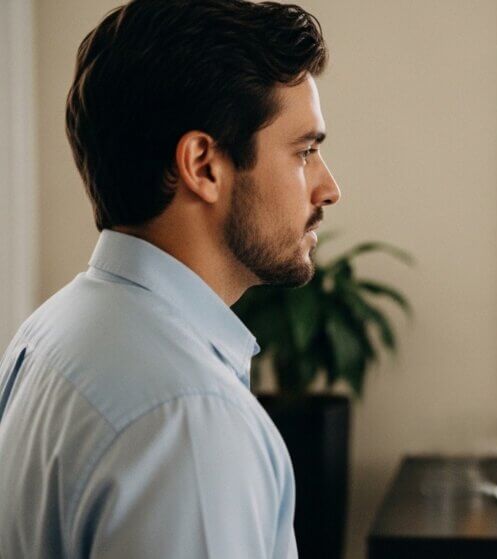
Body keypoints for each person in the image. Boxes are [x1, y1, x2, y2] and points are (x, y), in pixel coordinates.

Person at [0, 1, 340, 557]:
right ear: (203, 165)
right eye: (305, 152)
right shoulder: (190, 420)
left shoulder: (47, 335)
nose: (328, 188)